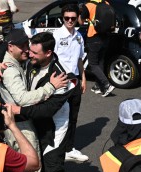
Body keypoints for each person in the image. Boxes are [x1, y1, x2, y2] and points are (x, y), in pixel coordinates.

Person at [10, 32, 90, 172]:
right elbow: (6, 46)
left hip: (55, 132)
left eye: (35, 53)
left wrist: (19, 110)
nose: (30, 55)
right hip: (38, 127)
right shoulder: (32, 62)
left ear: (48, 53)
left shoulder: (62, 78)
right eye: (30, 50)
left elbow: (46, 110)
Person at [0, 29, 68, 172]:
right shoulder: (11, 69)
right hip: (20, 125)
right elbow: (22, 99)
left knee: (24, 169)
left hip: (16, 124)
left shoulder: (9, 62)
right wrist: (51, 87)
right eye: (22, 47)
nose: (26, 51)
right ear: (10, 47)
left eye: (27, 46)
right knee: (32, 170)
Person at [53, 4, 89, 162]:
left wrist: (83, 77)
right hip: (61, 82)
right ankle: (56, 149)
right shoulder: (56, 35)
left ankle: (69, 149)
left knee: (73, 116)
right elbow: (50, 59)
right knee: (60, 117)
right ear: (62, 18)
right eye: (67, 18)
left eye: (73, 18)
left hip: (75, 80)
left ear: (77, 19)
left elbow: (80, 59)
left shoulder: (79, 36)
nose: (70, 21)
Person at [80, 0, 115, 97]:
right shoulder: (106, 3)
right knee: (100, 62)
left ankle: (106, 84)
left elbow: (80, 21)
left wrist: (81, 12)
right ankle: (98, 86)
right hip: (105, 37)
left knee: (93, 64)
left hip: (94, 37)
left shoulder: (89, 5)